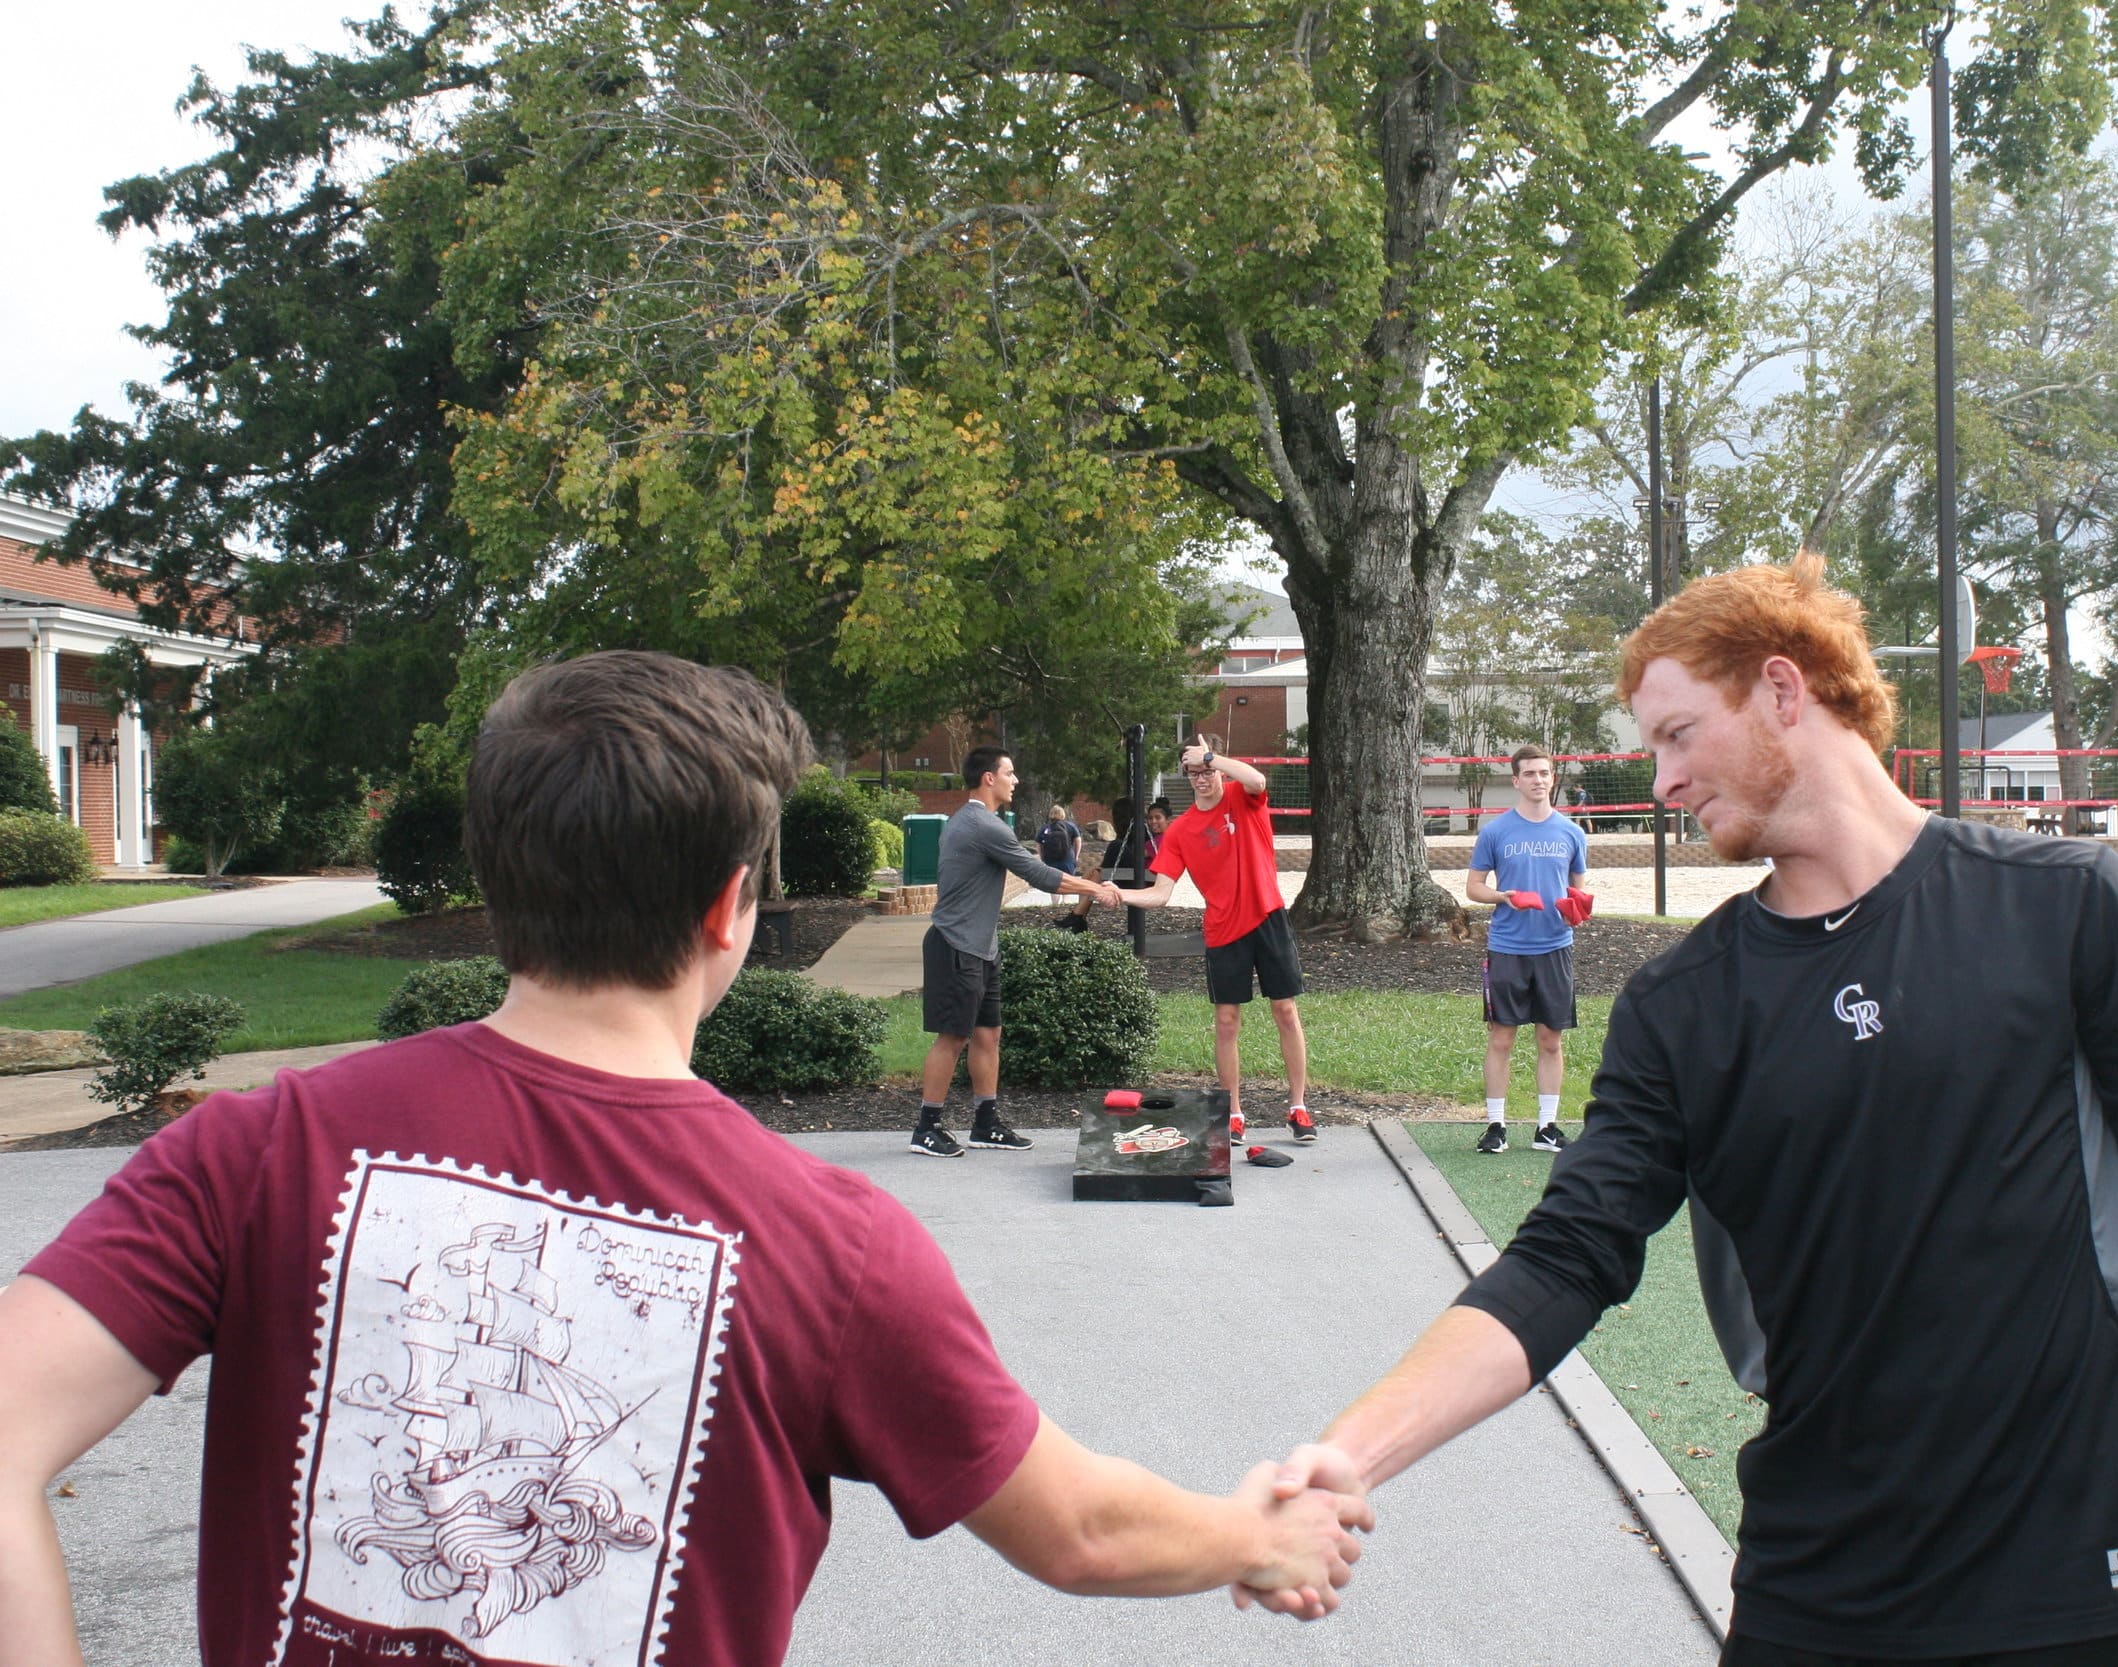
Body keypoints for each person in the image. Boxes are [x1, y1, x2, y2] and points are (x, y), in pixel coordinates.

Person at [0, 651, 1369, 1667]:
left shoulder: (254, 1146)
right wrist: (1256, 1533)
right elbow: (1081, 1529)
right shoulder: (834, 1243)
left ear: (496, 870)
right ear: (732, 908)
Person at [1249, 556, 2118, 1665]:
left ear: (1783, 690)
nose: (1661, 780)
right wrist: (1346, 1454)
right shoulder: (1680, 1006)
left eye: (1677, 734)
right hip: (1822, 1599)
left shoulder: (2066, 908)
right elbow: (1562, 1259)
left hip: (2095, 1586)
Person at [1104, 742, 1315, 1146]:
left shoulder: (1243, 796)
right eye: (1194, 774)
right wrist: (1122, 894)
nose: (1202, 779)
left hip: (1269, 917)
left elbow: (1256, 778)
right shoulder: (1180, 830)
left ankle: (1298, 1107)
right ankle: (1233, 1112)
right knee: (1226, 1021)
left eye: (1207, 771)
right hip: (1223, 930)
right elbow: (1161, 893)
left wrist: (1211, 757)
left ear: (1219, 769)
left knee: (1286, 1010)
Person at [918, 748, 1117, 1156]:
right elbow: (1041, 876)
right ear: (988, 778)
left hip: (981, 947)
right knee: (953, 1038)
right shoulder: (979, 824)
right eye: (1010, 772)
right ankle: (926, 1127)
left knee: (988, 1034)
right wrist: (1094, 888)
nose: (1016, 780)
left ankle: (984, 1123)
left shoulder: (975, 822)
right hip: (956, 945)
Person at [1463, 745, 1592, 1156]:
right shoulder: (1496, 831)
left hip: (1555, 948)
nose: (1538, 779)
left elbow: (1580, 887)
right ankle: (1496, 1126)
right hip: (1507, 948)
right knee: (1502, 1037)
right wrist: (1505, 897)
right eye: (1530, 774)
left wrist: (1579, 906)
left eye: (1544, 773)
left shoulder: (1571, 832)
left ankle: (1547, 1127)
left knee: (1550, 1040)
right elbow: (1473, 887)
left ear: (1553, 778)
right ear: (1515, 780)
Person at [1060, 797, 1170, 933]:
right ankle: (1079, 916)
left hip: (1144, 879)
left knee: (1098, 871)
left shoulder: (1155, 838)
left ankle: (1078, 915)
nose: (1153, 822)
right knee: (1091, 874)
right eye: (1150, 818)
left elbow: (1140, 856)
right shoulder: (1145, 835)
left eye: (1157, 818)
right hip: (1136, 877)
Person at [1037, 802, 1084, 879]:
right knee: (1068, 883)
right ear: (1063, 814)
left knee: (1053, 884)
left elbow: (1039, 844)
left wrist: (1042, 858)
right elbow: (1078, 841)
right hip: (1067, 860)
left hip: (1050, 861)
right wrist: (1076, 856)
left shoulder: (1045, 828)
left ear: (1051, 814)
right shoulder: (1070, 826)